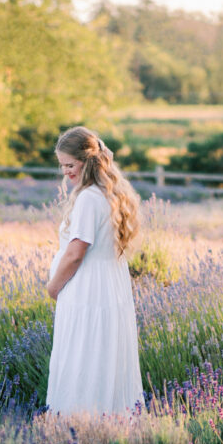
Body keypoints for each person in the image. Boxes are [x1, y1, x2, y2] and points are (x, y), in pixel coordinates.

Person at [45, 125, 144, 416]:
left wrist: (53, 287)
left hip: (87, 289)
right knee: (103, 357)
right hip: (107, 287)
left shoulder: (88, 198)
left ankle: (79, 423)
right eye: (62, 166)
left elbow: (76, 252)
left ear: (86, 161)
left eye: (70, 165)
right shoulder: (108, 193)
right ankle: (109, 422)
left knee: (82, 356)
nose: (65, 172)